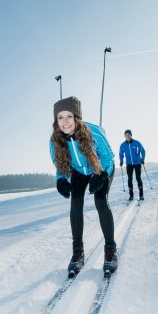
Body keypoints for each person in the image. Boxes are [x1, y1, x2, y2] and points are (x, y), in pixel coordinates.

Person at [49, 96, 117, 277]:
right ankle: (77, 253)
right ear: (56, 121)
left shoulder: (93, 132)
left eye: (69, 116)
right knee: (76, 202)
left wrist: (101, 175)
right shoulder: (55, 141)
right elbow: (60, 164)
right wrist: (61, 179)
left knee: (100, 200)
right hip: (78, 171)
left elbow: (108, 157)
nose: (65, 122)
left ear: (77, 117)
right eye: (60, 117)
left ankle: (110, 250)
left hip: (100, 166)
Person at [119, 129, 146, 201]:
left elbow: (143, 151)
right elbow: (121, 154)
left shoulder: (136, 143)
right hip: (129, 164)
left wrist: (142, 159)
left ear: (131, 135)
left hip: (137, 163)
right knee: (129, 179)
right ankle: (131, 195)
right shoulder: (123, 145)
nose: (127, 136)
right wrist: (121, 160)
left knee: (138, 178)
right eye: (126, 135)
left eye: (128, 135)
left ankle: (141, 195)